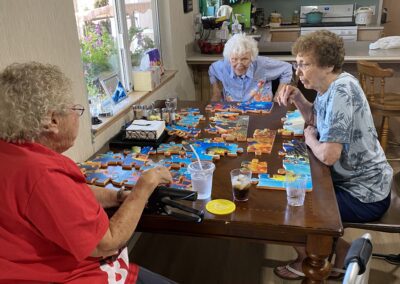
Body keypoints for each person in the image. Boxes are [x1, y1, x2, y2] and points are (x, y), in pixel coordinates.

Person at [0, 62, 175, 283]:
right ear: (53, 121)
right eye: (74, 109)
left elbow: (71, 195)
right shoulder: (42, 175)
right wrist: (144, 186)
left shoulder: (11, 152)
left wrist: (118, 196)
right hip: (74, 276)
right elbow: (106, 243)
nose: (76, 115)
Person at [274, 30, 392, 281]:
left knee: (293, 206)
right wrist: (297, 98)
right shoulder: (328, 86)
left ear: (327, 65)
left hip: (365, 193)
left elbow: (328, 155)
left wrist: (309, 138)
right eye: (297, 65)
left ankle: (309, 258)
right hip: (350, 183)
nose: (298, 72)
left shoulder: (342, 90)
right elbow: (315, 120)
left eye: (304, 64)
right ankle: (340, 250)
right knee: (295, 192)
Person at [209, 33, 293, 102]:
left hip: (261, 111)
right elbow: (212, 69)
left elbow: (287, 68)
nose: (239, 64)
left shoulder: (262, 64)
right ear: (229, 58)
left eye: (244, 59)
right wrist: (216, 91)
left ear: (252, 57)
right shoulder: (223, 66)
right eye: (234, 59)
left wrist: (278, 94)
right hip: (232, 112)